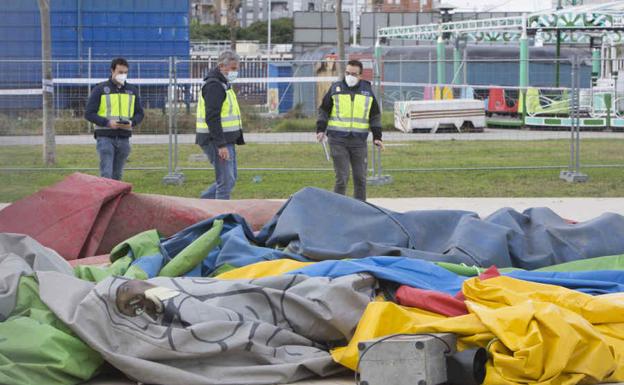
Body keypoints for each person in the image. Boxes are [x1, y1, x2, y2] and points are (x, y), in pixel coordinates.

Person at [316, 59, 384, 201]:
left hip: (359, 142)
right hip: (337, 140)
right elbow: (323, 110)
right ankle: (337, 209)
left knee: (360, 179)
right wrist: (320, 129)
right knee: (342, 178)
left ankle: (360, 210)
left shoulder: (367, 91)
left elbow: (375, 116)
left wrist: (377, 137)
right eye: (347, 73)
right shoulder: (336, 88)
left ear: (360, 75)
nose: (349, 76)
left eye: (353, 74)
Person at [85, 57, 144, 181]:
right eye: (120, 72)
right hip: (105, 137)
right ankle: (106, 199)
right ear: (112, 71)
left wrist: (132, 122)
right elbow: (89, 113)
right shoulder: (100, 89)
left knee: (117, 175)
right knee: (106, 174)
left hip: (124, 137)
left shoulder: (132, 91)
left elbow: (140, 113)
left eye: (125, 73)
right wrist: (107, 123)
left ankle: (116, 199)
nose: (123, 75)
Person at [196, 51, 245, 200]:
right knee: (225, 182)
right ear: (221, 66)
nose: (235, 72)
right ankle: (220, 219)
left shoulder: (223, 84)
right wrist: (221, 145)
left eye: (236, 68)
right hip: (216, 140)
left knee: (230, 179)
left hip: (225, 139)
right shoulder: (214, 86)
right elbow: (212, 117)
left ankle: (203, 203)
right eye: (232, 68)